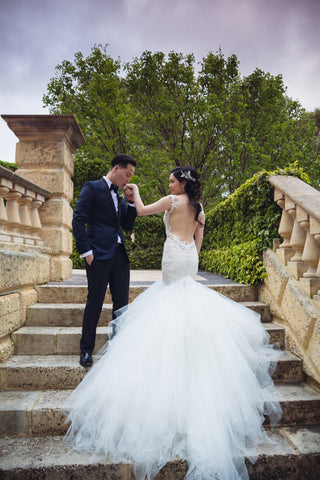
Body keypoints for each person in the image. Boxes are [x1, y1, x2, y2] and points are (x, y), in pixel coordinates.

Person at [65, 166, 282, 480]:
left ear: (182, 184)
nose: (169, 183)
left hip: (172, 257)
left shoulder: (171, 201)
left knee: (168, 302)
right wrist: (189, 256)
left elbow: (139, 211)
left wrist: (134, 191)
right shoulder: (199, 208)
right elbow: (198, 238)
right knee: (187, 299)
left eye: (172, 180)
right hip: (188, 259)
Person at [72, 154, 137, 367]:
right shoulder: (92, 188)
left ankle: (118, 348)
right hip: (98, 255)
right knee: (95, 303)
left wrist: (131, 203)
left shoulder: (119, 195)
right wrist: (86, 252)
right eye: (127, 175)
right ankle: (86, 350)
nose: (128, 180)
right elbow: (78, 220)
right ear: (116, 168)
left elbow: (126, 226)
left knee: (121, 305)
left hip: (120, 256)